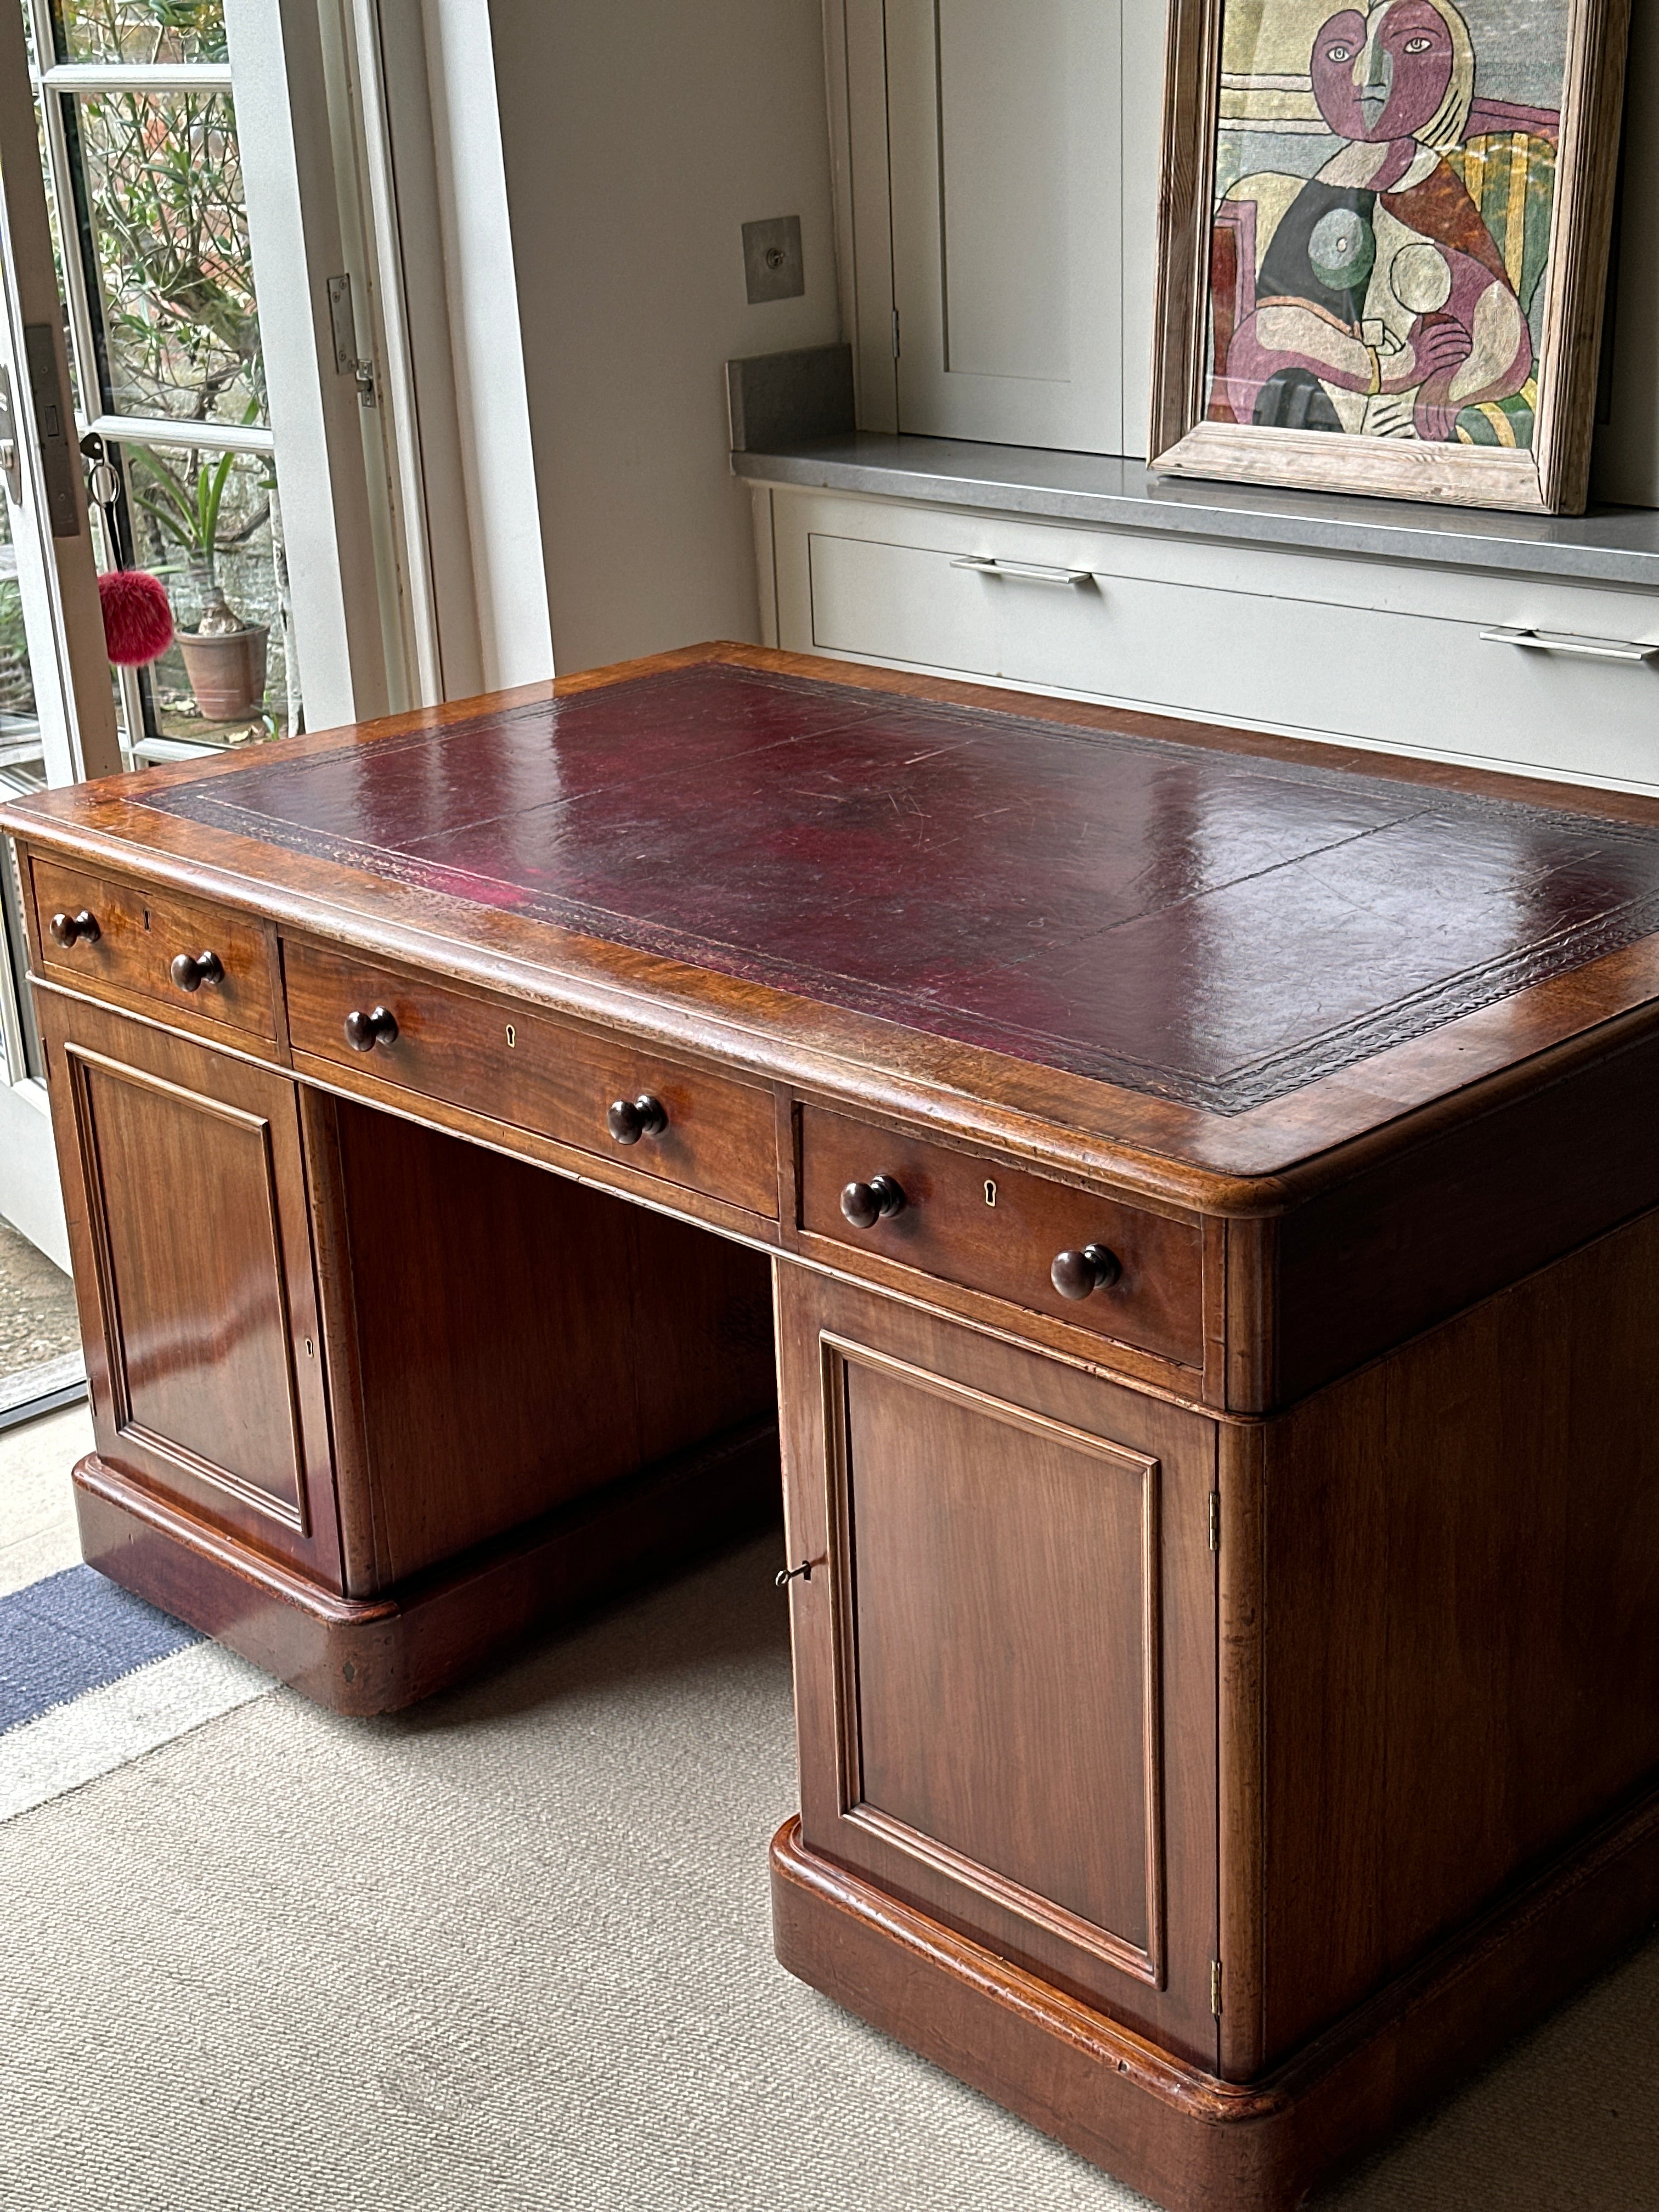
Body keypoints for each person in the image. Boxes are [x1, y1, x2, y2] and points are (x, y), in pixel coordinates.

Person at [1215, 0, 1532, 442]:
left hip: (1384, 430)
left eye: (1414, 46)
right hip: (1294, 417)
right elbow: (1259, 341)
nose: (1368, 78)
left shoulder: (1431, 191)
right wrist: (1390, 368)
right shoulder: (1299, 191)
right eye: (1341, 53)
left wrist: (1452, 389)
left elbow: (1503, 334)